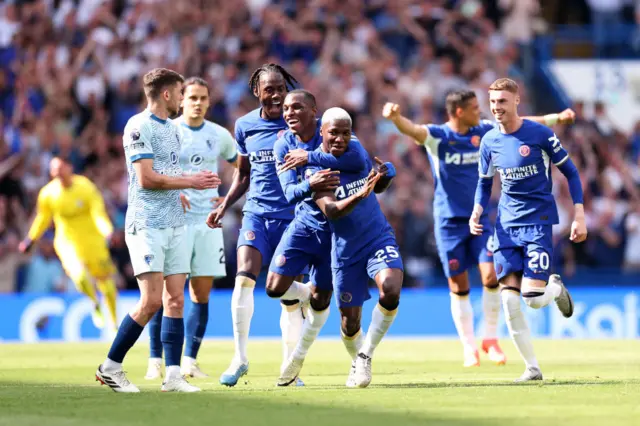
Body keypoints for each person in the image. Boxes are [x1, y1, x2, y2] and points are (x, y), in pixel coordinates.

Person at [382, 91, 576, 367]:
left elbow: (522, 122)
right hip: (449, 222)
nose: (481, 111)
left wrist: (556, 118)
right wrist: (395, 118)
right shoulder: (438, 137)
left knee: (490, 276)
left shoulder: (484, 129)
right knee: (458, 286)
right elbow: (412, 129)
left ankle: (491, 339)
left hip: (480, 219)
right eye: (474, 108)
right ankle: (468, 346)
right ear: (459, 112)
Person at [95, 68, 221, 393]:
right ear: (166, 94)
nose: (182, 98)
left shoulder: (174, 130)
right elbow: (147, 178)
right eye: (180, 93)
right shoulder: (138, 127)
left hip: (176, 221)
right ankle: (110, 366)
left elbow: (168, 172)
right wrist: (190, 181)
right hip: (147, 224)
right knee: (151, 301)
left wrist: (182, 190)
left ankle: (174, 376)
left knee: (175, 299)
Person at [470, 78, 587, 382]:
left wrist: (579, 214)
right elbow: (484, 184)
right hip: (505, 226)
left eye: (502, 102)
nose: (496, 108)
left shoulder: (539, 135)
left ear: (517, 101)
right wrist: (477, 211)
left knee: (532, 298)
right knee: (509, 300)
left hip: (537, 223)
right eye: (493, 102)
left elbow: (571, 173)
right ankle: (532, 368)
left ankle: (556, 288)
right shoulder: (489, 142)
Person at [207, 63, 314, 387]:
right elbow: (243, 173)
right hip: (256, 213)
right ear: (257, 92)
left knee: (287, 298)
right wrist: (225, 204)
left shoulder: (297, 124)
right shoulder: (245, 126)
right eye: (270, 89)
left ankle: (289, 367)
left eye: (281, 88)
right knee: (243, 281)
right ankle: (239, 358)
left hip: (293, 217)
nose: (277, 95)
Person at [265, 90, 369, 386]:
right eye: (285, 108)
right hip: (304, 225)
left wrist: (310, 157)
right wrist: (311, 183)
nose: (288, 112)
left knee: (324, 301)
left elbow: (359, 161)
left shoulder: (335, 130)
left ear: (314, 111)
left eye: (296, 107)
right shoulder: (283, 142)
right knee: (274, 288)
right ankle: (307, 293)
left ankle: (305, 357)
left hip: (337, 232)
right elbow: (289, 193)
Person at [144, 77, 238, 380]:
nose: (198, 103)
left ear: (209, 102)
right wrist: (175, 191)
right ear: (181, 100)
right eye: (193, 97)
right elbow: (151, 171)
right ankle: (155, 359)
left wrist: (229, 199)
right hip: (175, 222)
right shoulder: (168, 131)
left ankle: (189, 360)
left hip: (208, 223)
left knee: (200, 294)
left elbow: (244, 169)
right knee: (167, 294)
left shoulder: (218, 135)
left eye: (203, 98)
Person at [310, 108, 402, 388]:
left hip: (377, 237)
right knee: (350, 324)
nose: (340, 138)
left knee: (391, 287)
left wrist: (384, 175)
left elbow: (379, 184)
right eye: (333, 132)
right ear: (322, 132)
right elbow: (331, 211)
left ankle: (365, 354)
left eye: (345, 132)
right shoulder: (316, 171)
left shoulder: (357, 150)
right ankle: (357, 358)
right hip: (346, 249)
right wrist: (361, 194)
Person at [19, 157, 119, 330]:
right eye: (53, 169)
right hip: (67, 243)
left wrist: (107, 231)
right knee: (79, 277)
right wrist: (31, 239)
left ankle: (114, 322)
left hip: (93, 242)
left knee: (108, 286)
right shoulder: (48, 193)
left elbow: (98, 213)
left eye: (60, 168)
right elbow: (43, 218)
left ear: (70, 167)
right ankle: (95, 303)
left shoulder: (85, 187)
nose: (57, 172)